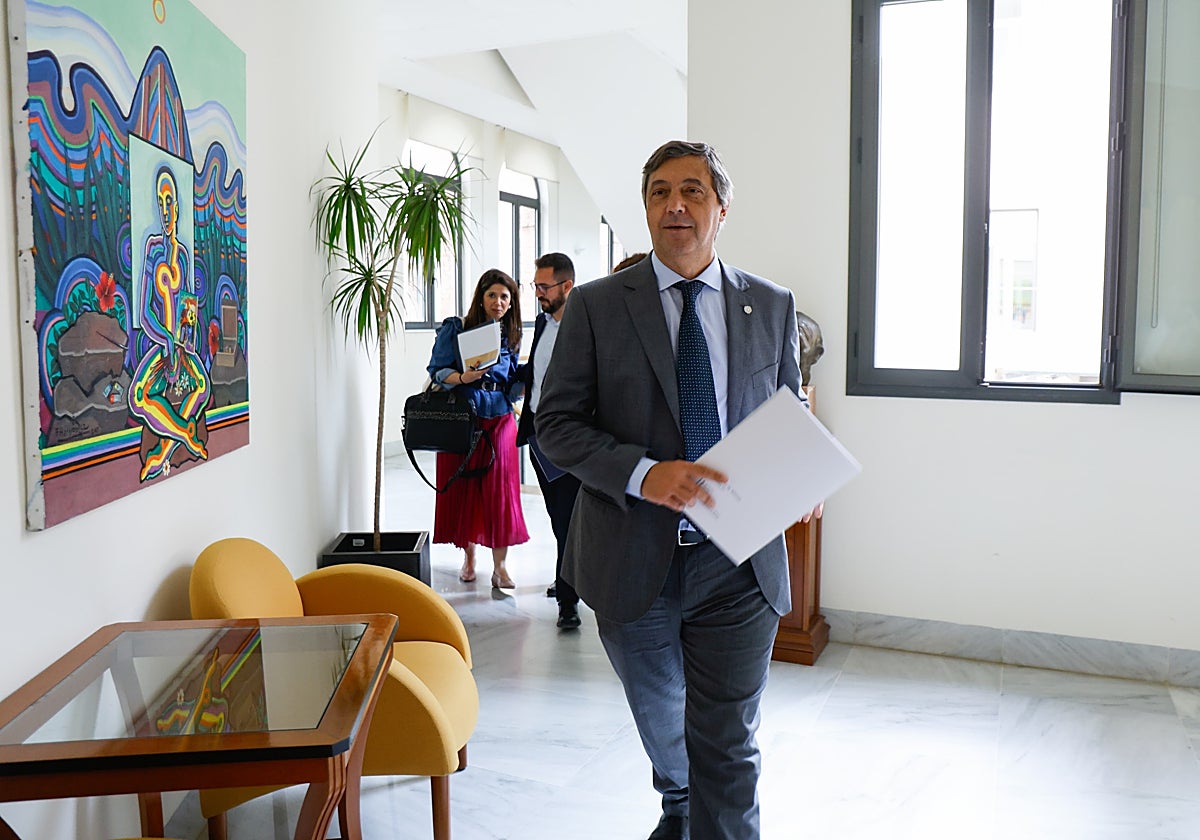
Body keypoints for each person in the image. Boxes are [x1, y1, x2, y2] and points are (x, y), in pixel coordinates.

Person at [536, 140, 819, 840]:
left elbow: (788, 412)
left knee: (728, 747)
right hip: (633, 560)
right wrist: (643, 473)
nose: (676, 204)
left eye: (692, 190)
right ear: (646, 208)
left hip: (738, 561)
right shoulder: (599, 307)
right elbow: (556, 427)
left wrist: (803, 474)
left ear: (722, 208)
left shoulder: (772, 305)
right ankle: (679, 802)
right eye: (660, 192)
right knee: (667, 725)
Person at [427, 268, 529, 588]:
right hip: (462, 419)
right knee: (464, 490)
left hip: (499, 419)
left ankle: (500, 567)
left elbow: (511, 381)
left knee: (501, 493)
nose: (498, 302)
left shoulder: (511, 337)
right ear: (481, 298)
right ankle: (468, 557)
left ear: (511, 303)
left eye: (504, 297)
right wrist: (464, 378)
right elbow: (437, 371)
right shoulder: (456, 329)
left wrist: (526, 384)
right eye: (492, 295)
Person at [515, 252, 582, 630]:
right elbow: (536, 373)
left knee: (568, 519)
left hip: (570, 435)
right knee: (559, 518)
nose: (538, 293)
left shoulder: (583, 326)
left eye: (544, 287)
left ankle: (569, 602)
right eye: (536, 286)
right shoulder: (543, 324)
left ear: (566, 286)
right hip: (541, 434)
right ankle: (566, 582)